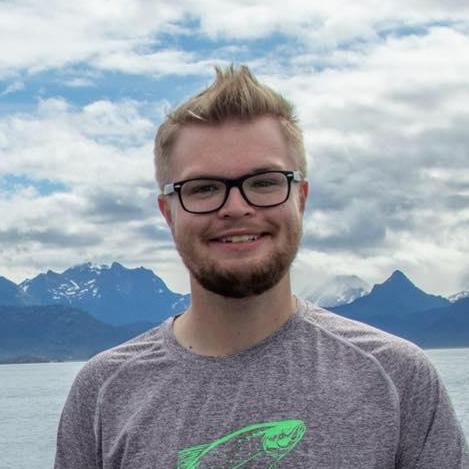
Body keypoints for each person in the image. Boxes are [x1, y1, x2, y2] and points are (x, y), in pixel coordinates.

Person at [54, 65, 468, 468]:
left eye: (264, 182)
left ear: (300, 198)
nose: (236, 207)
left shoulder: (398, 379)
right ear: (168, 212)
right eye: (203, 188)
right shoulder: (103, 392)